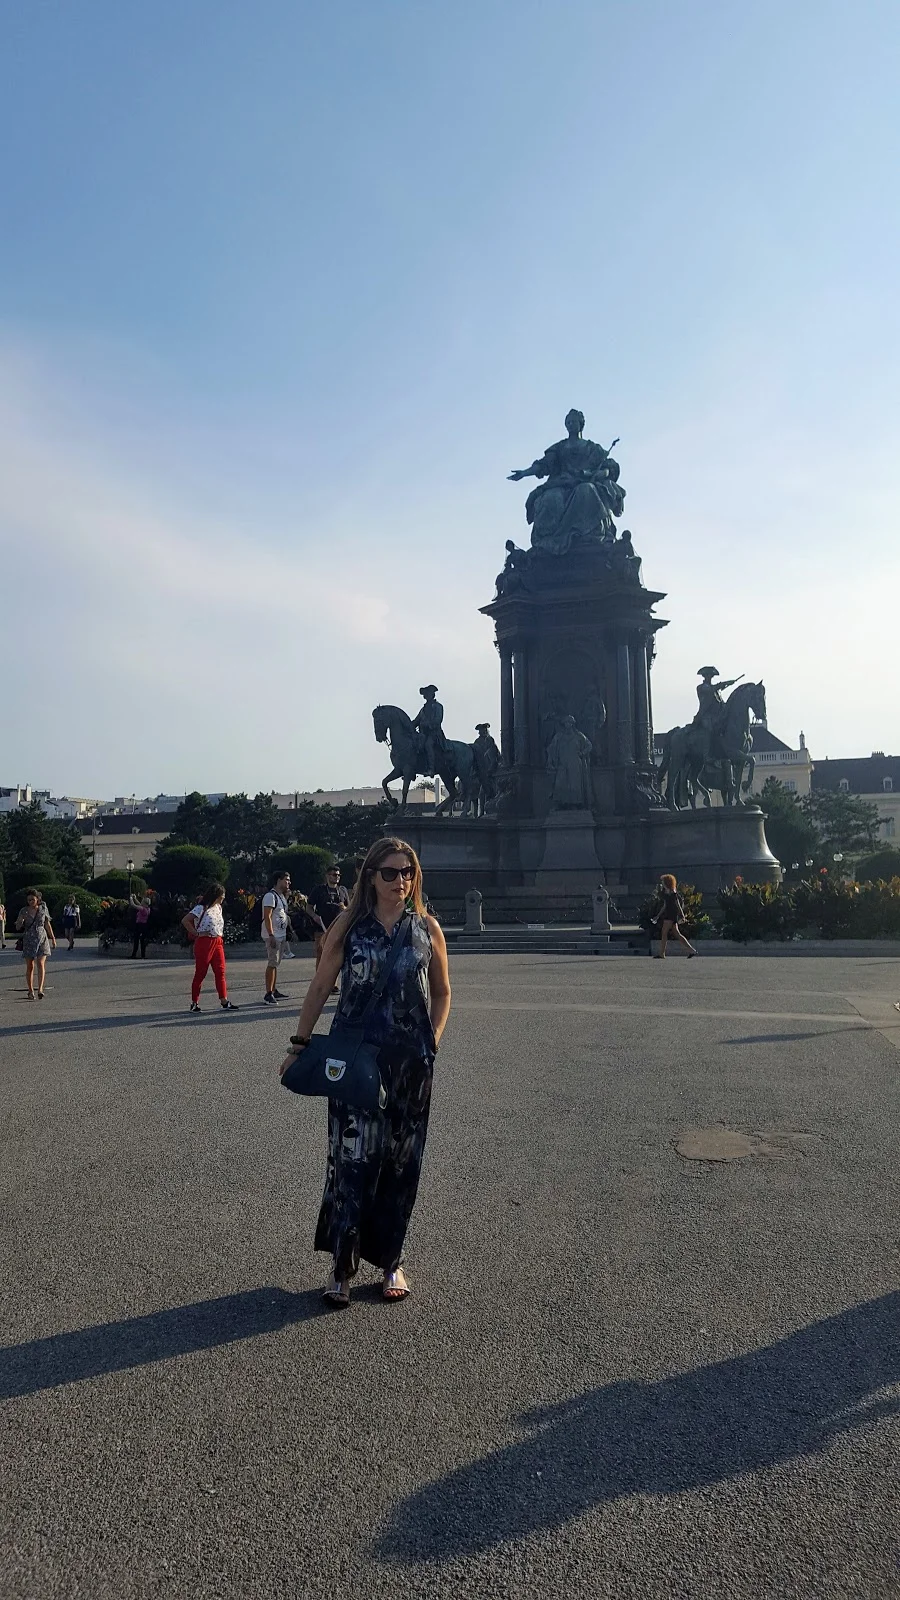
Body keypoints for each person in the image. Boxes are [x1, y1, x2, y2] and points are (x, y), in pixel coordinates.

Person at [279, 837, 451, 1308]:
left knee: (401, 1163)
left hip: (410, 1066)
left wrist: (432, 1041)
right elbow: (320, 986)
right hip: (356, 1061)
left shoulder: (427, 928)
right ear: (371, 877)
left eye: (408, 872)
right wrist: (299, 1045)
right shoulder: (350, 926)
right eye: (390, 872)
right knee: (352, 1160)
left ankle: (392, 1260)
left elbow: (442, 992)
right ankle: (342, 1264)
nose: (401, 881)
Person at [182, 883, 238, 1013]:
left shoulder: (218, 908)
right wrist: (196, 933)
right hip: (204, 941)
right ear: (216, 895)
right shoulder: (201, 908)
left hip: (217, 940)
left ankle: (224, 1000)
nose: (223, 897)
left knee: (220, 971)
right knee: (201, 972)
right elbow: (185, 920)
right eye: (222, 895)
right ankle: (194, 1002)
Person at [309, 865, 349, 981]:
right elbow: (309, 907)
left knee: (335, 955)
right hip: (321, 927)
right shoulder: (319, 890)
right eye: (334, 875)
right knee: (321, 954)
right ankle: (320, 980)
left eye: (339, 875)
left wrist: (344, 908)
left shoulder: (342, 890)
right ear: (327, 876)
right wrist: (314, 916)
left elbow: (350, 908)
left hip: (338, 928)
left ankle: (332, 983)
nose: (337, 877)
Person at [16, 889, 57, 999]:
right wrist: (20, 921)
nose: (30, 902)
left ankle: (40, 989)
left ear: (37, 899)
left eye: (32, 900)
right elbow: (18, 927)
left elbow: (47, 924)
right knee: (30, 966)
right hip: (29, 939)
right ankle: (30, 991)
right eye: (28, 900)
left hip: (42, 938)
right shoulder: (24, 911)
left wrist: (52, 938)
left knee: (41, 963)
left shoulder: (43, 909)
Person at [261, 869, 292, 1004]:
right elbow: (267, 916)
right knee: (272, 963)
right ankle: (268, 993)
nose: (289, 882)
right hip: (274, 935)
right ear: (278, 880)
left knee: (276, 963)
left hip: (281, 934)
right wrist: (271, 934)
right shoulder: (270, 896)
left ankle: (273, 989)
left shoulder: (281, 896)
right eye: (286, 880)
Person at [652, 874, 697, 959]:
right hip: (669, 914)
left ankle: (662, 953)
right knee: (677, 933)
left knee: (664, 932)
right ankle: (692, 950)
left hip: (671, 914)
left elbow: (678, 904)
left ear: (667, 882)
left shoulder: (673, 892)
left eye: (663, 881)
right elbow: (665, 906)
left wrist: (682, 915)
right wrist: (657, 916)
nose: (662, 883)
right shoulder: (666, 892)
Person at [129, 892, 153, 958]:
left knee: (136, 939)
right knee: (142, 940)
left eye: (142, 901)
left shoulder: (142, 909)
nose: (141, 901)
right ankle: (143, 955)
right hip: (144, 926)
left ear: (144, 903)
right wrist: (135, 898)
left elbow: (133, 905)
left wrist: (131, 898)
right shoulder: (147, 909)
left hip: (139, 925)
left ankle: (134, 954)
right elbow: (139, 904)